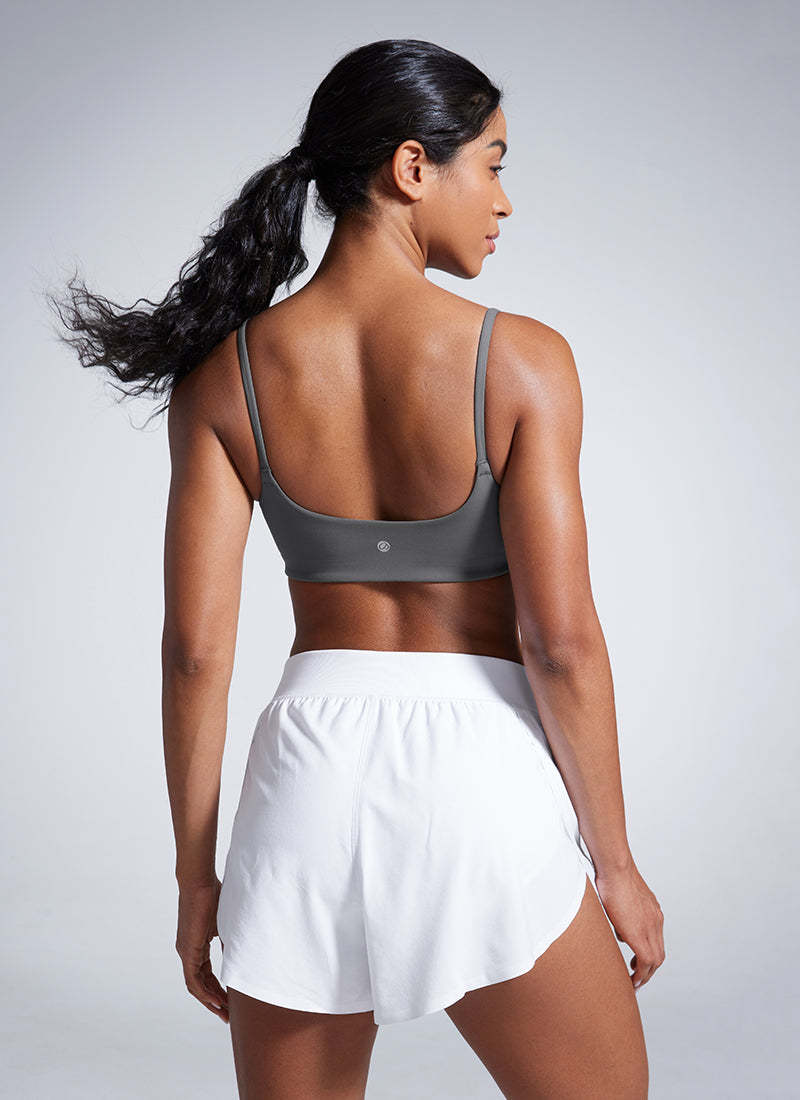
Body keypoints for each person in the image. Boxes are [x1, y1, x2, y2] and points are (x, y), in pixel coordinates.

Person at [51, 36, 664, 1100]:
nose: (504, 202)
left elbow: (194, 652)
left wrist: (196, 882)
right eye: (493, 164)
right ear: (412, 167)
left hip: (305, 777)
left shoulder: (223, 377)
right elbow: (559, 641)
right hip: (479, 776)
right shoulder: (523, 360)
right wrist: (614, 862)